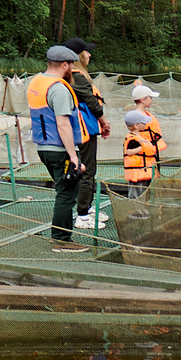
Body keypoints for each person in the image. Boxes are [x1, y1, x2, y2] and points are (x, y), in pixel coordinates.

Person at [28, 45, 90, 250]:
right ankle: (61, 240)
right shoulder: (59, 88)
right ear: (65, 64)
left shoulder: (37, 82)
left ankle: (60, 237)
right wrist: (73, 156)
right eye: (71, 65)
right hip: (60, 149)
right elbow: (62, 123)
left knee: (63, 191)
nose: (72, 69)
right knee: (66, 194)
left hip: (43, 147)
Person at [62, 37, 110, 229]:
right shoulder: (76, 77)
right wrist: (104, 121)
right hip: (83, 131)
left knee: (89, 168)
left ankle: (87, 208)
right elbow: (91, 102)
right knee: (87, 170)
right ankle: (82, 215)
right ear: (79, 56)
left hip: (84, 129)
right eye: (87, 52)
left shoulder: (72, 76)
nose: (90, 54)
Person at [120, 86, 163, 198]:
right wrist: (142, 147)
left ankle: (144, 211)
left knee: (146, 190)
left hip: (148, 163)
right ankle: (135, 213)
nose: (152, 100)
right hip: (138, 166)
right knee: (137, 191)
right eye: (150, 98)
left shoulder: (145, 115)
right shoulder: (135, 126)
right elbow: (130, 150)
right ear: (144, 100)